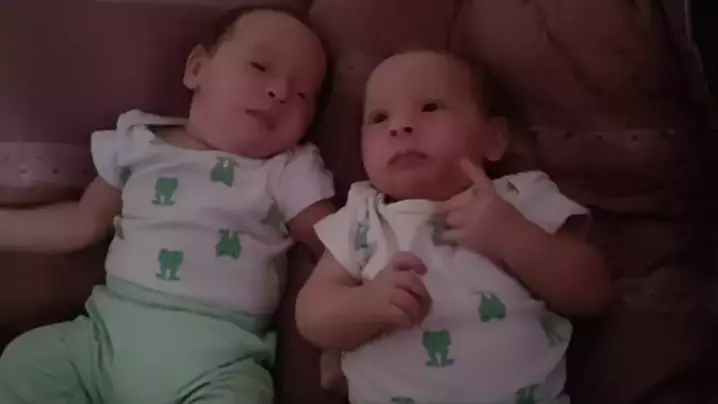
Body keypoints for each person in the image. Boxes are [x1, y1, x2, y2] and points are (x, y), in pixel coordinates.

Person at [0, 6, 334, 404]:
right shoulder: (138, 141)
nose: (279, 91)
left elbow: (334, 250)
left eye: (302, 94)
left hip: (219, 363)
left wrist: (341, 333)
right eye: (259, 66)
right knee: (25, 363)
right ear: (197, 69)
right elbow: (82, 223)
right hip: (104, 342)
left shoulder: (288, 170)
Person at [296, 50, 611, 404]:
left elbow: (593, 291)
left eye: (430, 107)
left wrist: (512, 236)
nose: (400, 126)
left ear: (493, 139)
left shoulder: (517, 198)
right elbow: (310, 314)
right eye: (379, 117)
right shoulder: (364, 214)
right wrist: (366, 304)